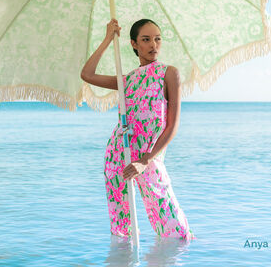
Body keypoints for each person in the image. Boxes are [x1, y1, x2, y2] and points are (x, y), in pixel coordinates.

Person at [80, 18, 195, 240]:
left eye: (157, 39)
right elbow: (87, 74)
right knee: (122, 227)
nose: (154, 45)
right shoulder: (128, 79)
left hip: (150, 157)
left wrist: (146, 160)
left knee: (173, 228)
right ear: (134, 44)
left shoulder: (169, 73)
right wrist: (107, 39)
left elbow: (172, 126)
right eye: (146, 39)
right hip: (118, 153)